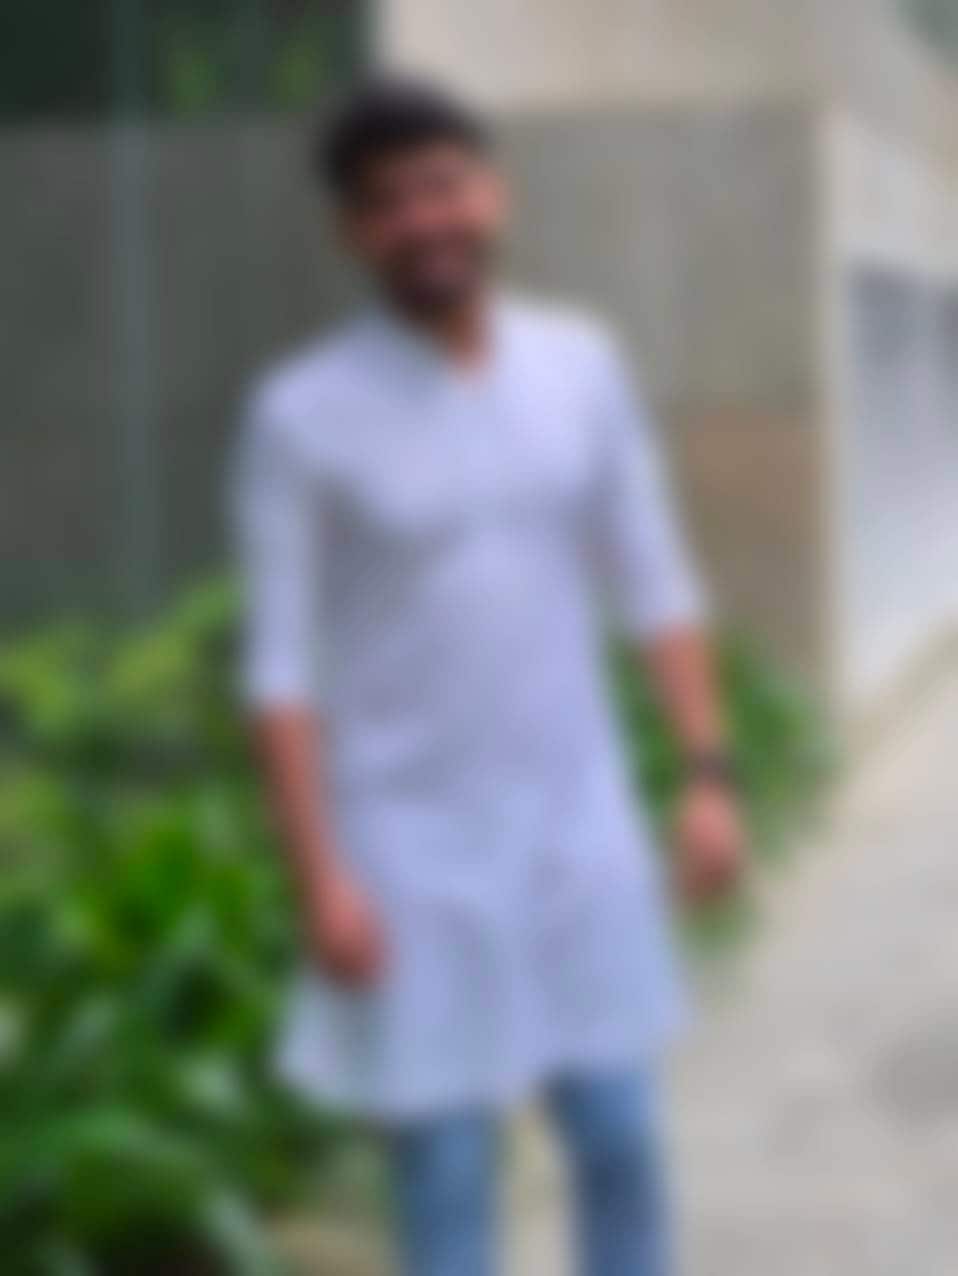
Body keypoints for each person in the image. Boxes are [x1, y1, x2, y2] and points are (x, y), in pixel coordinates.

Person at [233, 77, 745, 1276]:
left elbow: (656, 580)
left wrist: (707, 774)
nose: (424, 220)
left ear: (493, 193)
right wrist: (320, 877)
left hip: (577, 827)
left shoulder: (580, 365)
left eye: (443, 185)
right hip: (407, 851)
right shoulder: (302, 414)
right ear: (351, 232)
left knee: (620, 1140)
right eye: (387, 201)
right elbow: (281, 667)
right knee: (448, 1172)